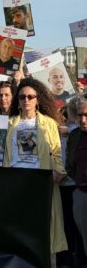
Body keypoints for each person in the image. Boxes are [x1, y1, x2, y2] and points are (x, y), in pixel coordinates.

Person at [3, 78, 68, 257]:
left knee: (42, 227)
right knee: (19, 227)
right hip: (16, 181)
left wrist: (59, 171)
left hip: (40, 181)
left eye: (31, 97)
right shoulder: (8, 124)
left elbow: (56, 152)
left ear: (38, 100)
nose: (26, 100)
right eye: (22, 97)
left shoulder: (49, 124)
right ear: (18, 101)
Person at [66, 95, 87, 258]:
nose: (83, 119)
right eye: (80, 115)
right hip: (81, 195)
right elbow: (70, 165)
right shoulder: (74, 137)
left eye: (86, 115)